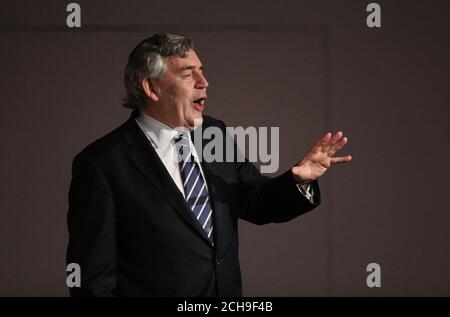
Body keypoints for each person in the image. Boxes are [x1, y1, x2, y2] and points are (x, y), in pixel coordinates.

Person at [66, 32, 352, 297]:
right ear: (151, 87)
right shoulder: (101, 164)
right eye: (188, 74)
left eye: (202, 71)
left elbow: (255, 201)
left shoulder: (213, 133)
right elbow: (92, 278)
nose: (204, 82)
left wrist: (299, 180)